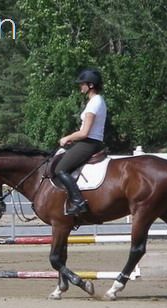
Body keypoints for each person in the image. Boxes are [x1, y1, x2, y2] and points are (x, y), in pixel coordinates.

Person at [52, 68, 107, 215]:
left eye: (82, 84)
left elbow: (84, 132)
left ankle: (78, 202)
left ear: (90, 85)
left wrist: (67, 138)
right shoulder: (96, 101)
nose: (80, 86)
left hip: (89, 143)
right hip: (89, 142)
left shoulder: (94, 103)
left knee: (60, 169)